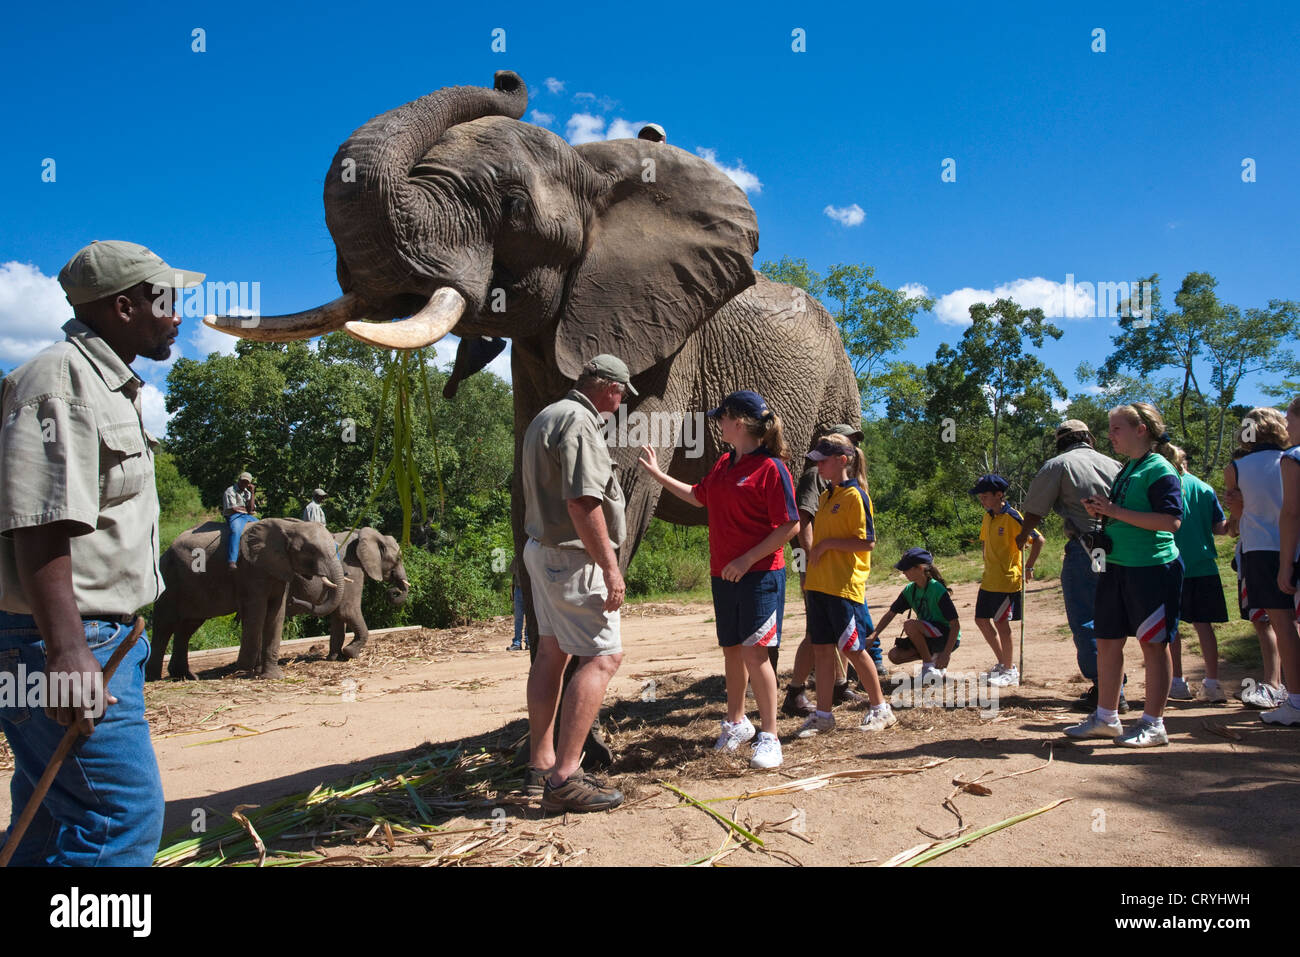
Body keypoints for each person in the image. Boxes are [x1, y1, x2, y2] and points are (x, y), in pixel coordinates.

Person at [0, 239, 202, 865]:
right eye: (166, 301)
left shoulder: (110, 385)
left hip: (97, 640)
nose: (178, 315)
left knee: (48, 821)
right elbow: (39, 525)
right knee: (120, 821)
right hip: (66, 641)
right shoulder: (59, 381)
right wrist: (66, 651)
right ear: (123, 306)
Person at [640, 390, 799, 769]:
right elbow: (698, 497)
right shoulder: (726, 463)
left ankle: (770, 736)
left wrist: (746, 559)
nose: (717, 424)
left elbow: (790, 525)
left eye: (721, 418)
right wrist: (657, 475)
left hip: (760, 575)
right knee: (732, 649)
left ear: (739, 423)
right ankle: (736, 723)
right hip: (723, 574)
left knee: (755, 653)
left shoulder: (772, 469)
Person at [521, 354, 632, 812]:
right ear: (607, 386)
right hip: (571, 559)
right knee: (605, 656)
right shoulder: (581, 422)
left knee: (552, 651)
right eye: (622, 393)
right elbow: (582, 503)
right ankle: (566, 777)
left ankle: (540, 764)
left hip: (541, 551)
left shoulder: (548, 415)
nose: (621, 403)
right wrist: (609, 567)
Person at [1065, 402, 1183, 748]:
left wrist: (1114, 510)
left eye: (1117, 429)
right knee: (1107, 642)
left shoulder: (1158, 468)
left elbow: (1170, 521)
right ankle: (1106, 718)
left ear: (1140, 430)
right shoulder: (1129, 468)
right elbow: (1127, 513)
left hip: (1151, 570)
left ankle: (1154, 724)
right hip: (1117, 567)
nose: (1110, 436)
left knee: (1153, 645)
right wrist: (1104, 511)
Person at [1017, 419, 1123, 711]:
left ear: (1060, 441)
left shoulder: (1059, 464)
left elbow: (1036, 510)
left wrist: (1022, 536)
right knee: (1111, 617)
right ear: (1089, 437)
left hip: (1087, 547)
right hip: (1118, 548)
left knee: (1086, 617)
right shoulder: (1115, 464)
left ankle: (1106, 690)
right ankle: (1115, 689)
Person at [794, 434, 896, 737]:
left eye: (823, 460)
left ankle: (881, 708)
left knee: (852, 648)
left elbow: (867, 541)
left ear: (843, 460)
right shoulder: (826, 496)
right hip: (819, 586)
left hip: (843, 587)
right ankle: (824, 716)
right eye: (816, 461)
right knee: (823, 650)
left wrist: (826, 546)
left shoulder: (856, 496)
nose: (818, 466)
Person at [1223, 406, 1300, 726]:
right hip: (1293, 546)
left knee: (1279, 624)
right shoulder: (1291, 457)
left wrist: (1232, 519)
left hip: (1260, 550)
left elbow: (1237, 517)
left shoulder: (1237, 467)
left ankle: (1290, 696)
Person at [1164, 446, 1230, 703]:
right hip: (1203, 566)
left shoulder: (1160, 488)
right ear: (1185, 462)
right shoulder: (1204, 488)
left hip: (1170, 565)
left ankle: (1177, 682)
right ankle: (1212, 683)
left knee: (1172, 627)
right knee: (1204, 626)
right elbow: (1220, 528)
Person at [1225, 441, 1287, 708]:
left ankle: (1275, 685)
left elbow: (1232, 528)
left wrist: (1238, 506)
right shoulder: (1283, 466)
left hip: (1260, 555)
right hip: (1269, 552)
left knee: (1266, 622)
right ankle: (1277, 685)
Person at [971, 474, 1044, 688]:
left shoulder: (1013, 516)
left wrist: (1029, 566)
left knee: (1001, 623)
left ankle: (1010, 670)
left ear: (999, 494)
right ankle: (1003, 662)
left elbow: (1038, 539)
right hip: (989, 580)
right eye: (980, 496)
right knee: (981, 620)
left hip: (1007, 580)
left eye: (985, 495)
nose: (982, 499)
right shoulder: (988, 516)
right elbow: (985, 542)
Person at [869, 548, 962, 684]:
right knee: (894, 656)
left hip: (946, 636)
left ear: (919, 568)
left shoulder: (937, 589)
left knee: (910, 625)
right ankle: (934, 659)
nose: (903, 572)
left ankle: (928, 666)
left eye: (906, 569)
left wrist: (946, 654)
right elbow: (890, 614)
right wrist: (873, 636)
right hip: (927, 634)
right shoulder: (910, 590)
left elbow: (955, 625)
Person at [1269, 396, 1300, 726]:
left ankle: (1296, 701)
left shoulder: (1293, 458)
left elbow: (1291, 513)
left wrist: (1286, 564)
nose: (1287, 427)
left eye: (1290, 421)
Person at [222, 472, 258, 571]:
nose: (244, 484)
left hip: (246, 516)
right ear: (239, 480)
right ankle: (232, 560)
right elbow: (234, 508)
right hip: (234, 516)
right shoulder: (230, 491)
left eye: (247, 482)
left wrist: (253, 492)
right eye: (243, 481)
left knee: (260, 525)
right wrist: (248, 510)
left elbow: (251, 509)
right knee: (236, 531)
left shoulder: (247, 492)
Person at [508, 558, 533, 652]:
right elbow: (513, 575)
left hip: (530, 590)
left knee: (529, 617)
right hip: (518, 590)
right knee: (518, 617)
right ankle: (517, 643)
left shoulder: (531, 557)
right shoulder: (516, 559)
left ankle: (529, 641)